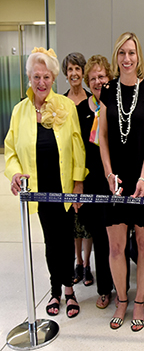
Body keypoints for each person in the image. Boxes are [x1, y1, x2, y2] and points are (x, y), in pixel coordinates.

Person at [5, 47, 87, 318]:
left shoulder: (65, 106)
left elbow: (78, 146)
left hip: (63, 187)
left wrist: (78, 183)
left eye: (46, 77)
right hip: (38, 190)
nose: (41, 83)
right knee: (51, 241)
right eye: (36, 77)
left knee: (66, 239)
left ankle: (69, 290)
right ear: (29, 78)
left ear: (53, 78)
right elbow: (11, 151)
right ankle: (55, 289)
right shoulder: (19, 111)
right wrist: (15, 173)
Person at [99, 32, 144, 332]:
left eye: (132, 53)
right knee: (116, 246)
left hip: (143, 178)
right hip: (116, 180)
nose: (127, 58)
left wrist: (143, 177)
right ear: (117, 56)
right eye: (122, 52)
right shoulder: (107, 90)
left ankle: (139, 301)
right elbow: (102, 137)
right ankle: (121, 299)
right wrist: (109, 174)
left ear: (139, 56)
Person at [76, 55, 115, 308]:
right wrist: (77, 182)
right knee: (100, 237)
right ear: (87, 82)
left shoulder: (117, 106)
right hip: (92, 182)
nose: (98, 81)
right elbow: (77, 149)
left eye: (102, 76)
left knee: (117, 239)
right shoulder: (80, 110)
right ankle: (104, 289)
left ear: (109, 78)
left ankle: (120, 286)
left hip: (114, 181)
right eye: (93, 78)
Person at [62, 52, 94, 287]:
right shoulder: (60, 103)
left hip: (89, 168)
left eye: (77, 69)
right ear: (66, 74)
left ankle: (88, 264)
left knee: (87, 222)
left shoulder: (92, 101)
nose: (74, 73)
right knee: (73, 222)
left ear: (83, 73)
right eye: (70, 69)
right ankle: (78, 262)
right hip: (68, 168)